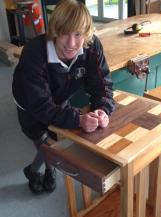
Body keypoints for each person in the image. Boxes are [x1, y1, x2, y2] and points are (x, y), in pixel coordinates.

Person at [12, 0, 115, 194]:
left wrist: (103, 108)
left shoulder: (92, 46)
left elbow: (103, 87)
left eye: (78, 34)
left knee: (54, 141)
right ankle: (36, 171)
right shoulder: (34, 52)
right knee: (44, 142)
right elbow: (40, 105)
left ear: (86, 33)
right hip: (29, 102)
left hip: (61, 96)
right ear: (54, 31)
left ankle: (43, 169)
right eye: (65, 33)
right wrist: (77, 119)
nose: (71, 43)